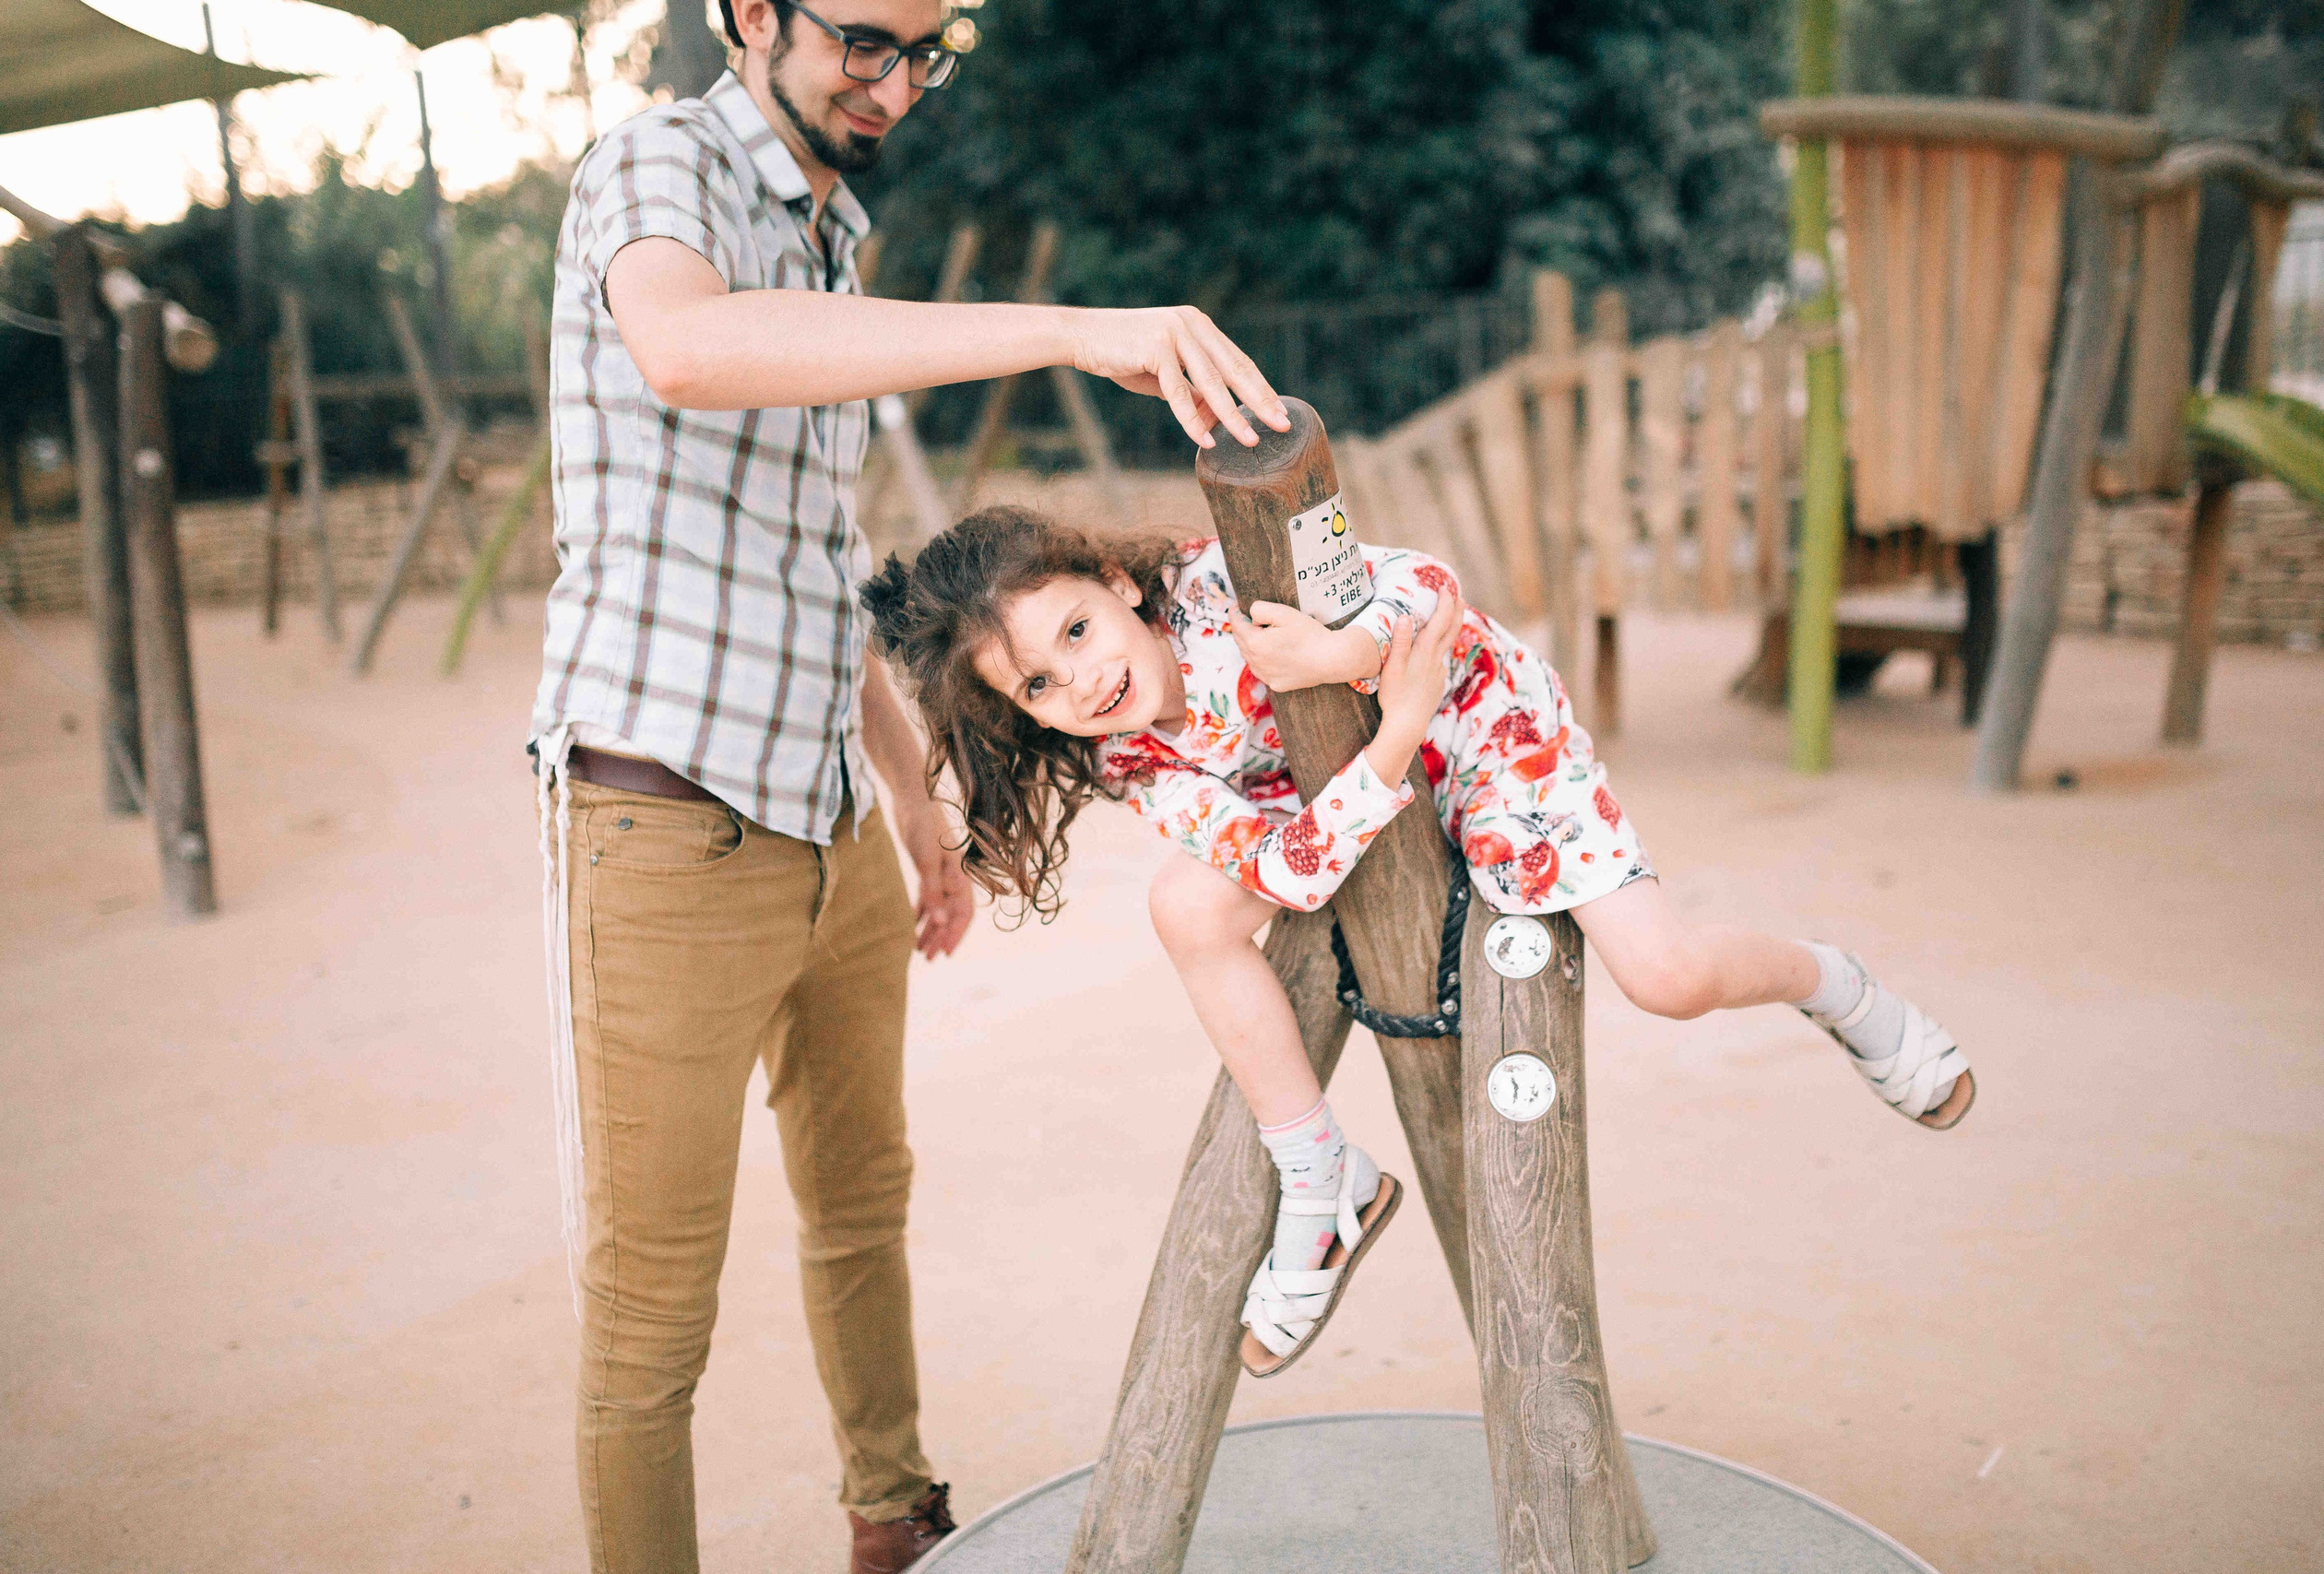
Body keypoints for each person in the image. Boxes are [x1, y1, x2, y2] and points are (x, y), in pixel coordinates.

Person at [529, 0, 1287, 1568]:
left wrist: (913, 795)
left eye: (930, 52)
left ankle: (894, 1513)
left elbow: (812, 564)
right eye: (867, 42)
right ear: (753, 13)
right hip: (658, 820)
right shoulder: (658, 164)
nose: (897, 84)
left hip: (824, 815)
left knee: (862, 1201)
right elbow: (686, 349)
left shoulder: (830, 240)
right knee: (651, 1311)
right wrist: (1071, 327)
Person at [859, 507, 1976, 1375]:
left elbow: (1429, 588)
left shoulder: (1226, 582)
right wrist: (1388, 733)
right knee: (1184, 906)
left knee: (1667, 976)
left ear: (1115, 583)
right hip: (1361, 782)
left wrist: (1342, 650)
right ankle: (1320, 1177)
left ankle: (1837, 985)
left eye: (1076, 631)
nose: (1083, 679)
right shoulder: (1131, 758)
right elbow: (1289, 870)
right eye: (1040, 684)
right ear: (1023, 713)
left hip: (1485, 742)